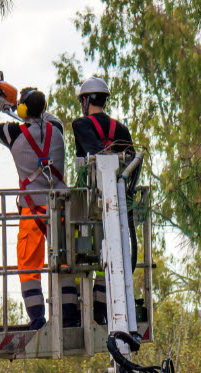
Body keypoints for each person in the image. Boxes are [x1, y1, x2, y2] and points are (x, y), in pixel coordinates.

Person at [0, 86, 79, 330]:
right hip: (61, 208)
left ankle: (37, 319)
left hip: (32, 212)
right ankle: (70, 317)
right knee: (65, 261)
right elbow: (43, 114)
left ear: (22, 110)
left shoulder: (13, 133)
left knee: (29, 266)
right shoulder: (57, 129)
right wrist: (20, 105)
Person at [72, 76, 137, 324]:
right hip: (118, 205)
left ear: (86, 100)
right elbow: (130, 163)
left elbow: (87, 158)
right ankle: (102, 310)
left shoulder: (81, 125)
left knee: (85, 254)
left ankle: (86, 310)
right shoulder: (120, 129)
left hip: (92, 202)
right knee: (110, 257)